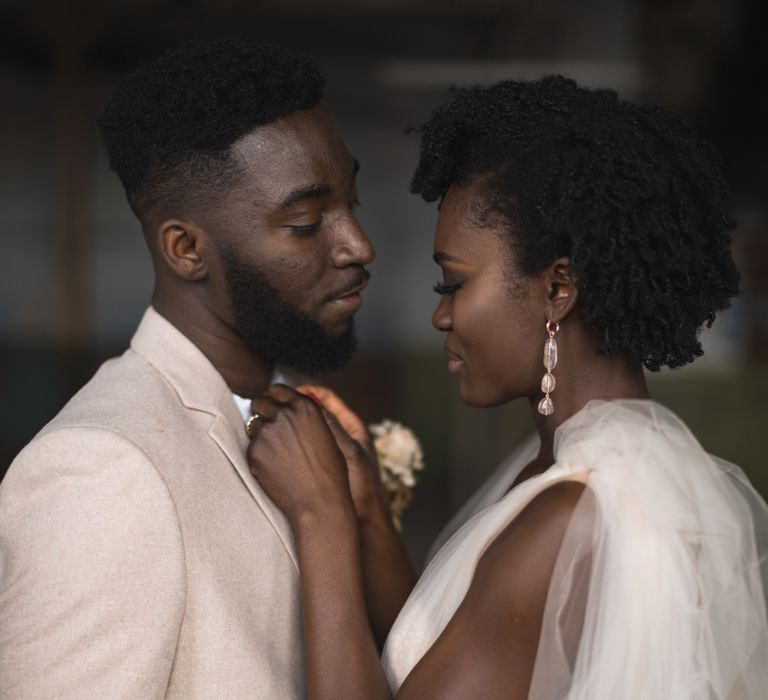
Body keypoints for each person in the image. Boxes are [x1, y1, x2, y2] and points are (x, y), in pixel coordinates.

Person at [245, 75, 768, 698]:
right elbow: (457, 652)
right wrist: (367, 516)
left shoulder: (573, 514)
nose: (441, 316)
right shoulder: (574, 465)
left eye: (453, 284)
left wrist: (320, 516)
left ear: (557, 288)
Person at [0, 40, 399, 698]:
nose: (358, 245)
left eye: (351, 203)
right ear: (187, 249)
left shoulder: (301, 416)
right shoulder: (102, 467)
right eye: (305, 222)